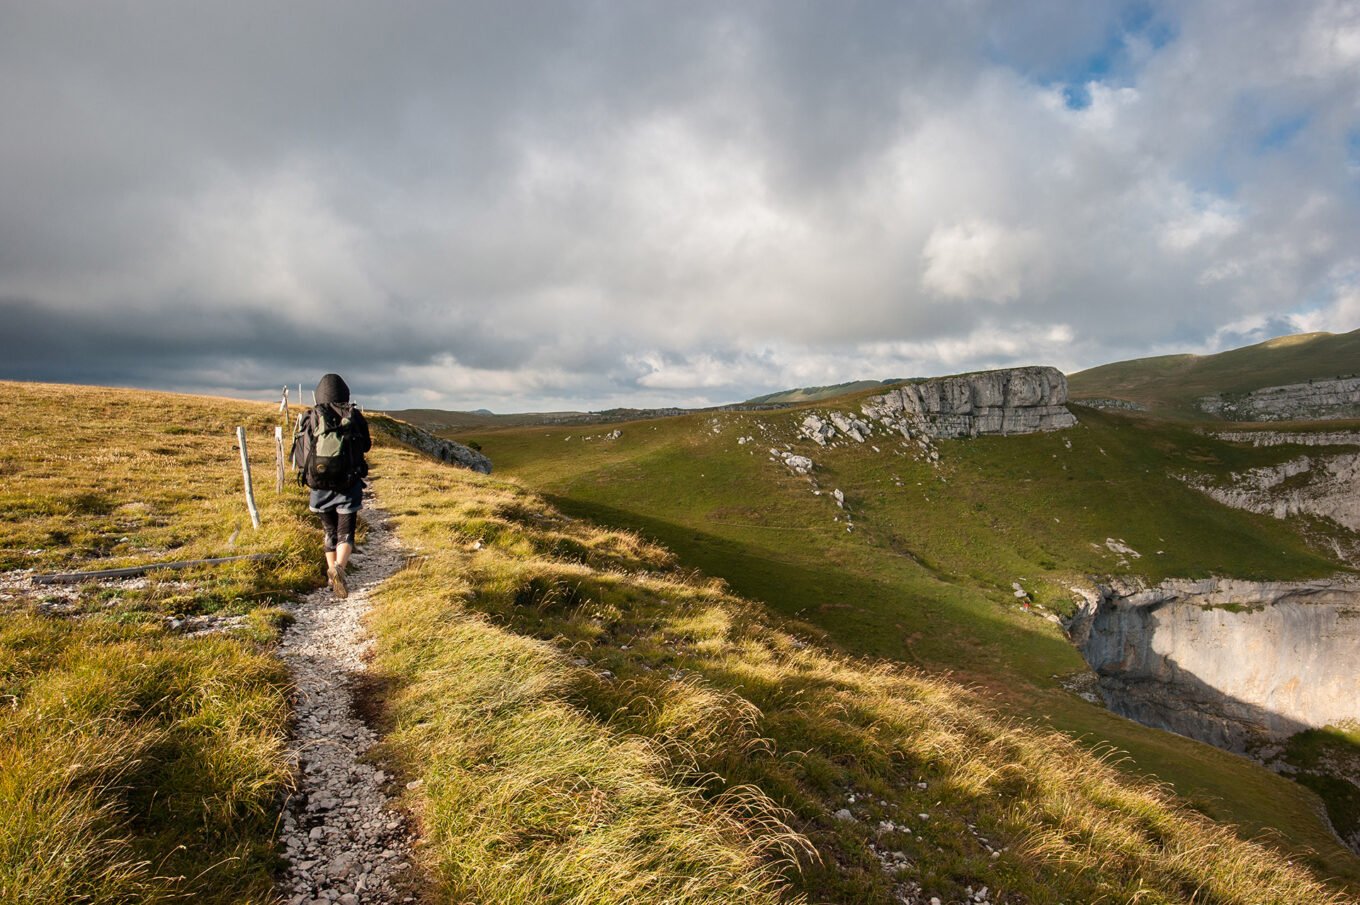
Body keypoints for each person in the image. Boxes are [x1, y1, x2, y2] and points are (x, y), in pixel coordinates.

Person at [291, 373, 371, 598]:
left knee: (329, 530)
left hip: (319, 485)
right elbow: (366, 446)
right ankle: (340, 568)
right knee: (346, 532)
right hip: (348, 485)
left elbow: (300, 453)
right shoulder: (353, 416)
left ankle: (330, 575)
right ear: (345, 393)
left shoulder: (311, 416)